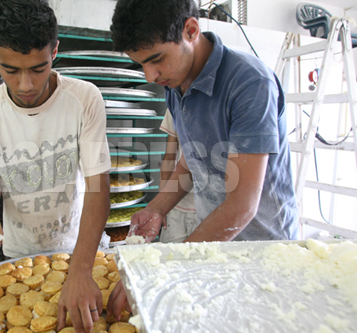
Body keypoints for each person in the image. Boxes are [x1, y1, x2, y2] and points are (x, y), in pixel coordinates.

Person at [107, 0, 299, 319]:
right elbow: (194, 160)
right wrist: (156, 208)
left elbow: (242, 205)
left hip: (263, 251)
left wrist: (162, 267)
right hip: (212, 245)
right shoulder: (176, 83)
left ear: (191, 30)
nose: (150, 75)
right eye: (140, 64)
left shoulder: (249, 84)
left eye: (156, 60)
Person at [0, 0, 111, 332]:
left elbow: (100, 187)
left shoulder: (84, 99)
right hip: (19, 254)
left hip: (80, 248)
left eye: (38, 68)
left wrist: (82, 270)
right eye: (11, 70)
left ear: (55, 50)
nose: (25, 85)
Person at [159, 109, 198, 243]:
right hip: (176, 203)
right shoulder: (174, 105)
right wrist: (161, 205)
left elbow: (169, 158)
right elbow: (170, 158)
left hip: (209, 209)